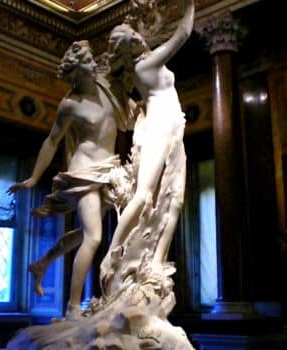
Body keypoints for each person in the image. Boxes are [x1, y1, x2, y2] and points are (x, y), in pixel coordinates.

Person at [8, 40, 136, 320]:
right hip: (83, 172)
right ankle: (73, 307)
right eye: (87, 64)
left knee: (84, 234)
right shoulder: (70, 105)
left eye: (92, 62)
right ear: (76, 73)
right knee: (94, 237)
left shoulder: (105, 86)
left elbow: (128, 63)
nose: (93, 66)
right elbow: (52, 141)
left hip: (108, 170)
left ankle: (41, 264)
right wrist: (34, 177)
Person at [101, 0, 194, 277]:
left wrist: (149, 13)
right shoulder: (145, 66)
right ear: (130, 48)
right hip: (157, 126)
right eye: (134, 37)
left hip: (173, 126)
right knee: (143, 196)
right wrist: (190, 3)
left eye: (136, 34)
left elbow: (154, 27)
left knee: (175, 198)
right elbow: (183, 34)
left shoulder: (145, 60)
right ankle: (111, 253)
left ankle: (156, 262)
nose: (139, 37)